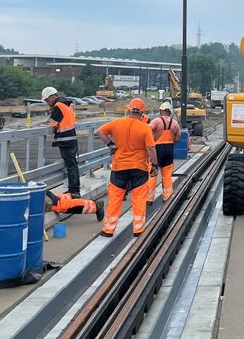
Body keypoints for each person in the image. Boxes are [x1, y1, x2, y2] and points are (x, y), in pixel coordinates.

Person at [95, 98, 158, 237]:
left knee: (115, 198)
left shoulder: (117, 123)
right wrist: (154, 165)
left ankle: (108, 229)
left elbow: (99, 131)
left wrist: (111, 145)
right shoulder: (145, 128)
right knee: (139, 198)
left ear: (129, 110)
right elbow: (151, 149)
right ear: (142, 113)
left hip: (119, 167)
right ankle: (138, 229)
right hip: (139, 168)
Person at [42, 86, 80, 197]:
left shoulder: (58, 106)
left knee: (71, 166)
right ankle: (75, 189)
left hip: (65, 140)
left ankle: (73, 191)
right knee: (73, 165)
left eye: (47, 100)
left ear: (53, 96)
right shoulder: (67, 104)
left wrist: (51, 115)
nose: (47, 102)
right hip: (72, 139)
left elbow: (53, 123)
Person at [148, 100, 183, 201]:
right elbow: (178, 139)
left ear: (161, 111)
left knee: (153, 173)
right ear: (170, 112)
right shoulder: (175, 123)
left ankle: (149, 198)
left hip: (157, 149)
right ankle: (167, 196)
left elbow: (147, 132)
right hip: (169, 149)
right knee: (167, 175)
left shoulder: (156, 121)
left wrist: (153, 139)